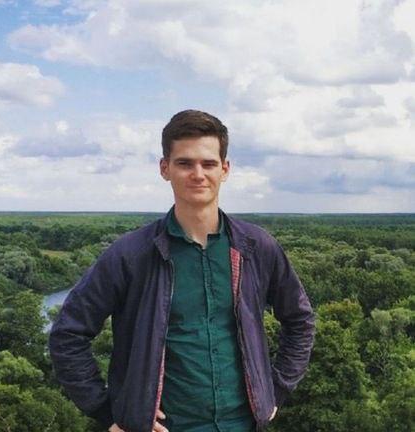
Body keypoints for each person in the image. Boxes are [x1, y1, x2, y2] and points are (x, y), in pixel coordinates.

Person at [49, 109, 316, 432]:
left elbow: (299, 320)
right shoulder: (131, 255)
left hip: (242, 425)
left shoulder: (256, 248)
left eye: (209, 163)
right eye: (185, 163)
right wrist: (112, 413)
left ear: (225, 169)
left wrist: (275, 390)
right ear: (165, 169)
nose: (198, 174)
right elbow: (67, 334)